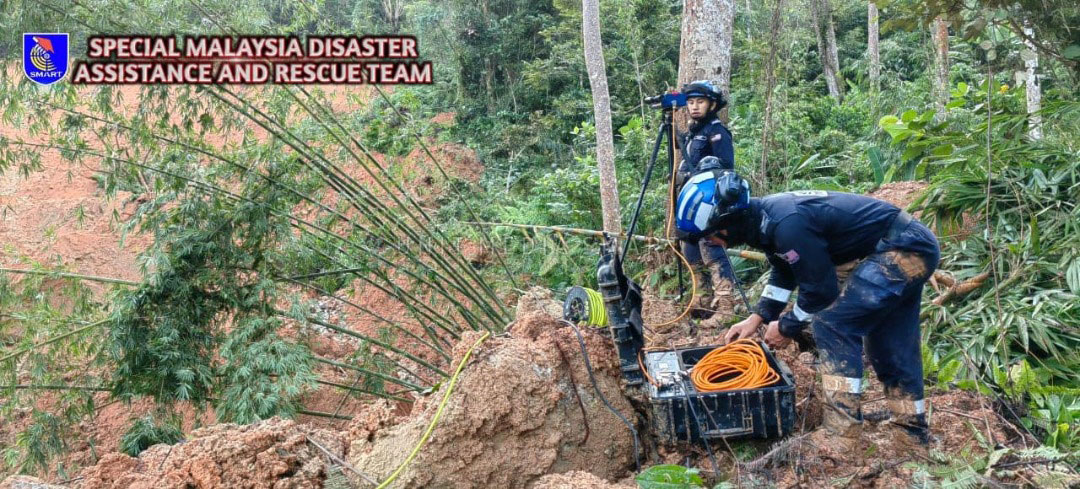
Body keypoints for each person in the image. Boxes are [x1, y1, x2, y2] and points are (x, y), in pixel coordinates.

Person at [674, 171, 940, 445]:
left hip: (904, 247)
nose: (709, 243)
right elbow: (784, 273)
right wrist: (756, 319)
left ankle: (842, 433)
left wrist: (788, 326)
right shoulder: (764, 222)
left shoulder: (787, 224)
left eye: (709, 236)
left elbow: (821, 291)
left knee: (832, 324)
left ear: (726, 222)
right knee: (888, 340)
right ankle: (911, 432)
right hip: (906, 245)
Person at [674, 80, 735, 324]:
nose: (695, 107)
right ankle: (699, 301)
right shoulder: (693, 132)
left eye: (700, 102)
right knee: (691, 252)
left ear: (711, 104)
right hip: (689, 203)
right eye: (690, 102)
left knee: (713, 252)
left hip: (709, 205)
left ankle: (726, 307)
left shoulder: (717, 132)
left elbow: (726, 169)